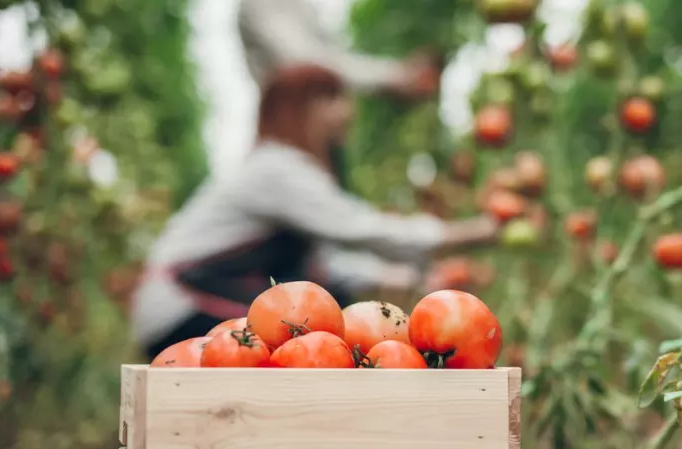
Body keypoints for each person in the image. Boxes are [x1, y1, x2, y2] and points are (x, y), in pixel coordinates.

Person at [130, 65, 498, 361]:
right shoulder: (278, 169)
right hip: (183, 309)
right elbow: (360, 228)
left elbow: (324, 269)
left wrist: (401, 277)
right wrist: (468, 232)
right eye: (332, 98)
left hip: (191, 302)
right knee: (321, 347)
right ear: (301, 108)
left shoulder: (282, 170)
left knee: (319, 334)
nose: (347, 111)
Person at [237, 0, 438, 97]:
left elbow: (332, 58)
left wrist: (398, 74)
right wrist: (395, 75)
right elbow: (308, 66)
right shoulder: (259, 5)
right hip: (290, 135)